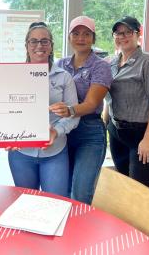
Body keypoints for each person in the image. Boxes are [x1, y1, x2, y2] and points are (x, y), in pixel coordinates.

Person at [7, 22, 79, 197]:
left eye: (44, 41)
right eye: (34, 41)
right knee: (26, 203)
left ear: (51, 46)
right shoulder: (12, 75)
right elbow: (6, 112)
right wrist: (7, 134)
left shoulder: (64, 77)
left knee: (56, 203)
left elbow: (73, 115)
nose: (39, 45)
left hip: (55, 152)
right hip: (21, 153)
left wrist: (56, 131)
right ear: (26, 45)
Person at [50, 16, 112, 204]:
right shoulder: (60, 64)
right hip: (63, 131)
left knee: (80, 192)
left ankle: (80, 230)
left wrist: (68, 110)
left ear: (93, 38)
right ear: (69, 37)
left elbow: (91, 104)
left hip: (89, 133)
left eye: (86, 34)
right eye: (76, 33)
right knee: (62, 189)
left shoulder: (101, 66)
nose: (81, 38)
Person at [104, 16, 149, 187]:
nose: (123, 37)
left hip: (140, 135)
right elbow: (109, 98)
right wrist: (105, 124)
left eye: (128, 32)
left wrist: (148, 139)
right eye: (118, 33)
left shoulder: (148, 62)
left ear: (137, 34)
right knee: (124, 184)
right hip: (116, 132)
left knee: (139, 189)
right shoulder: (112, 63)